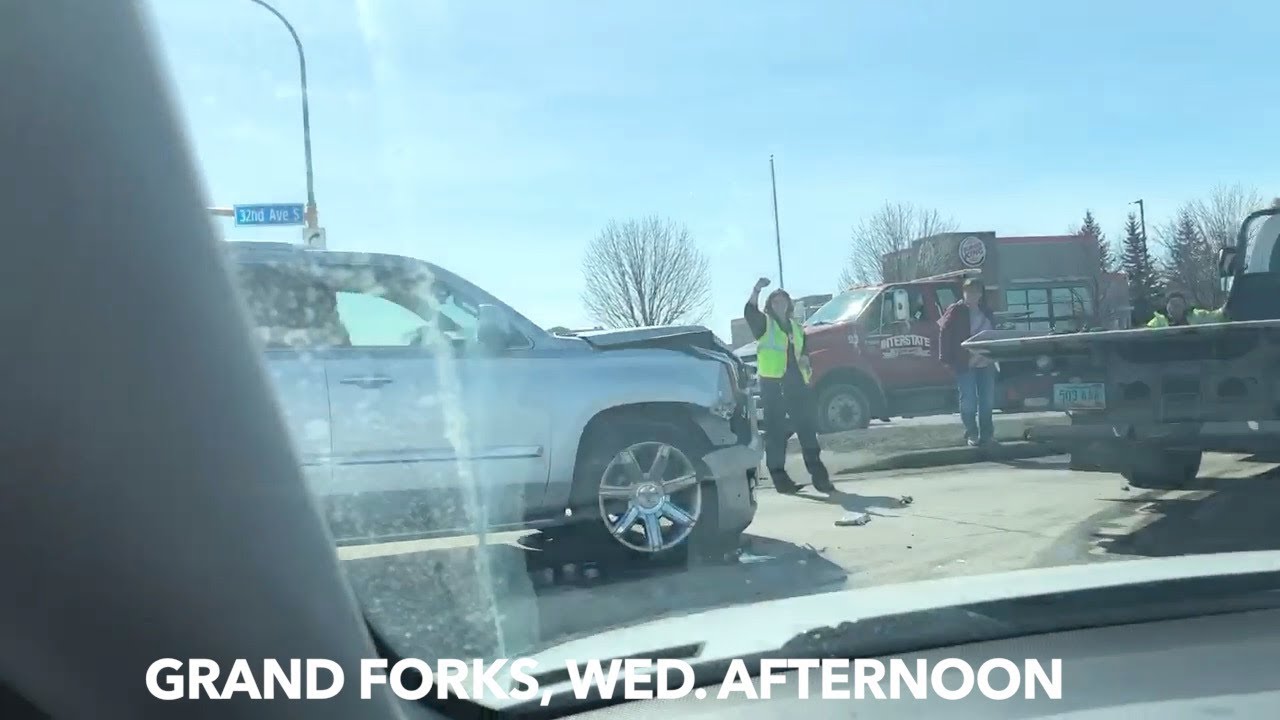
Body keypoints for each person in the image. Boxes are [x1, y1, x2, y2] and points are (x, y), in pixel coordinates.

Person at [744, 277, 834, 494]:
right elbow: (749, 311)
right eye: (775, 302)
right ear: (770, 305)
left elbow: (803, 353)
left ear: (789, 304)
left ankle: (820, 479)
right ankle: (780, 480)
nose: (779, 304)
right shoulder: (765, 324)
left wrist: (806, 363)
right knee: (776, 434)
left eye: (783, 301)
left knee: (806, 431)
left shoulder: (796, 327)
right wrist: (757, 289)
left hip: (797, 386)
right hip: (773, 386)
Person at [939, 278, 997, 447]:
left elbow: (994, 334)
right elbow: (943, 332)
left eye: (976, 291)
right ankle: (971, 433)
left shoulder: (986, 311)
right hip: (965, 363)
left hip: (986, 362)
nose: (973, 295)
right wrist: (946, 358)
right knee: (969, 399)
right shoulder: (955, 310)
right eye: (969, 291)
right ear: (964, 293)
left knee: (987, 401)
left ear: (981, 294)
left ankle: (987, 435)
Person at [1147, 291, 1227, 327]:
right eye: (1173, 304)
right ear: (1167, 306)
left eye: (1179, 305)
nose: (1175, 308)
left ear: (1184, 306)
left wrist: (1227, 306)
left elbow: (1217, 316)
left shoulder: (1197, 316)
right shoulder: (1158, 322)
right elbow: (1144, 335)